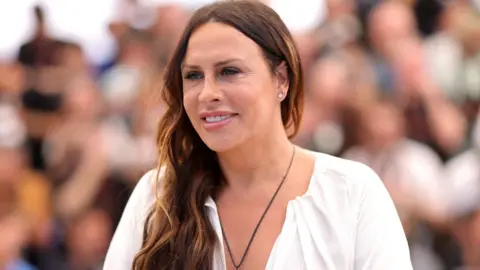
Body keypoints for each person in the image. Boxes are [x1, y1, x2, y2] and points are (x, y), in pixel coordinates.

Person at [103, 1, 412, 270]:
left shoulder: (351, 192)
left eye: (229, 71)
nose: (207, 93)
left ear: (281, 79)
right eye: (193, 75)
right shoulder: (156, 196)